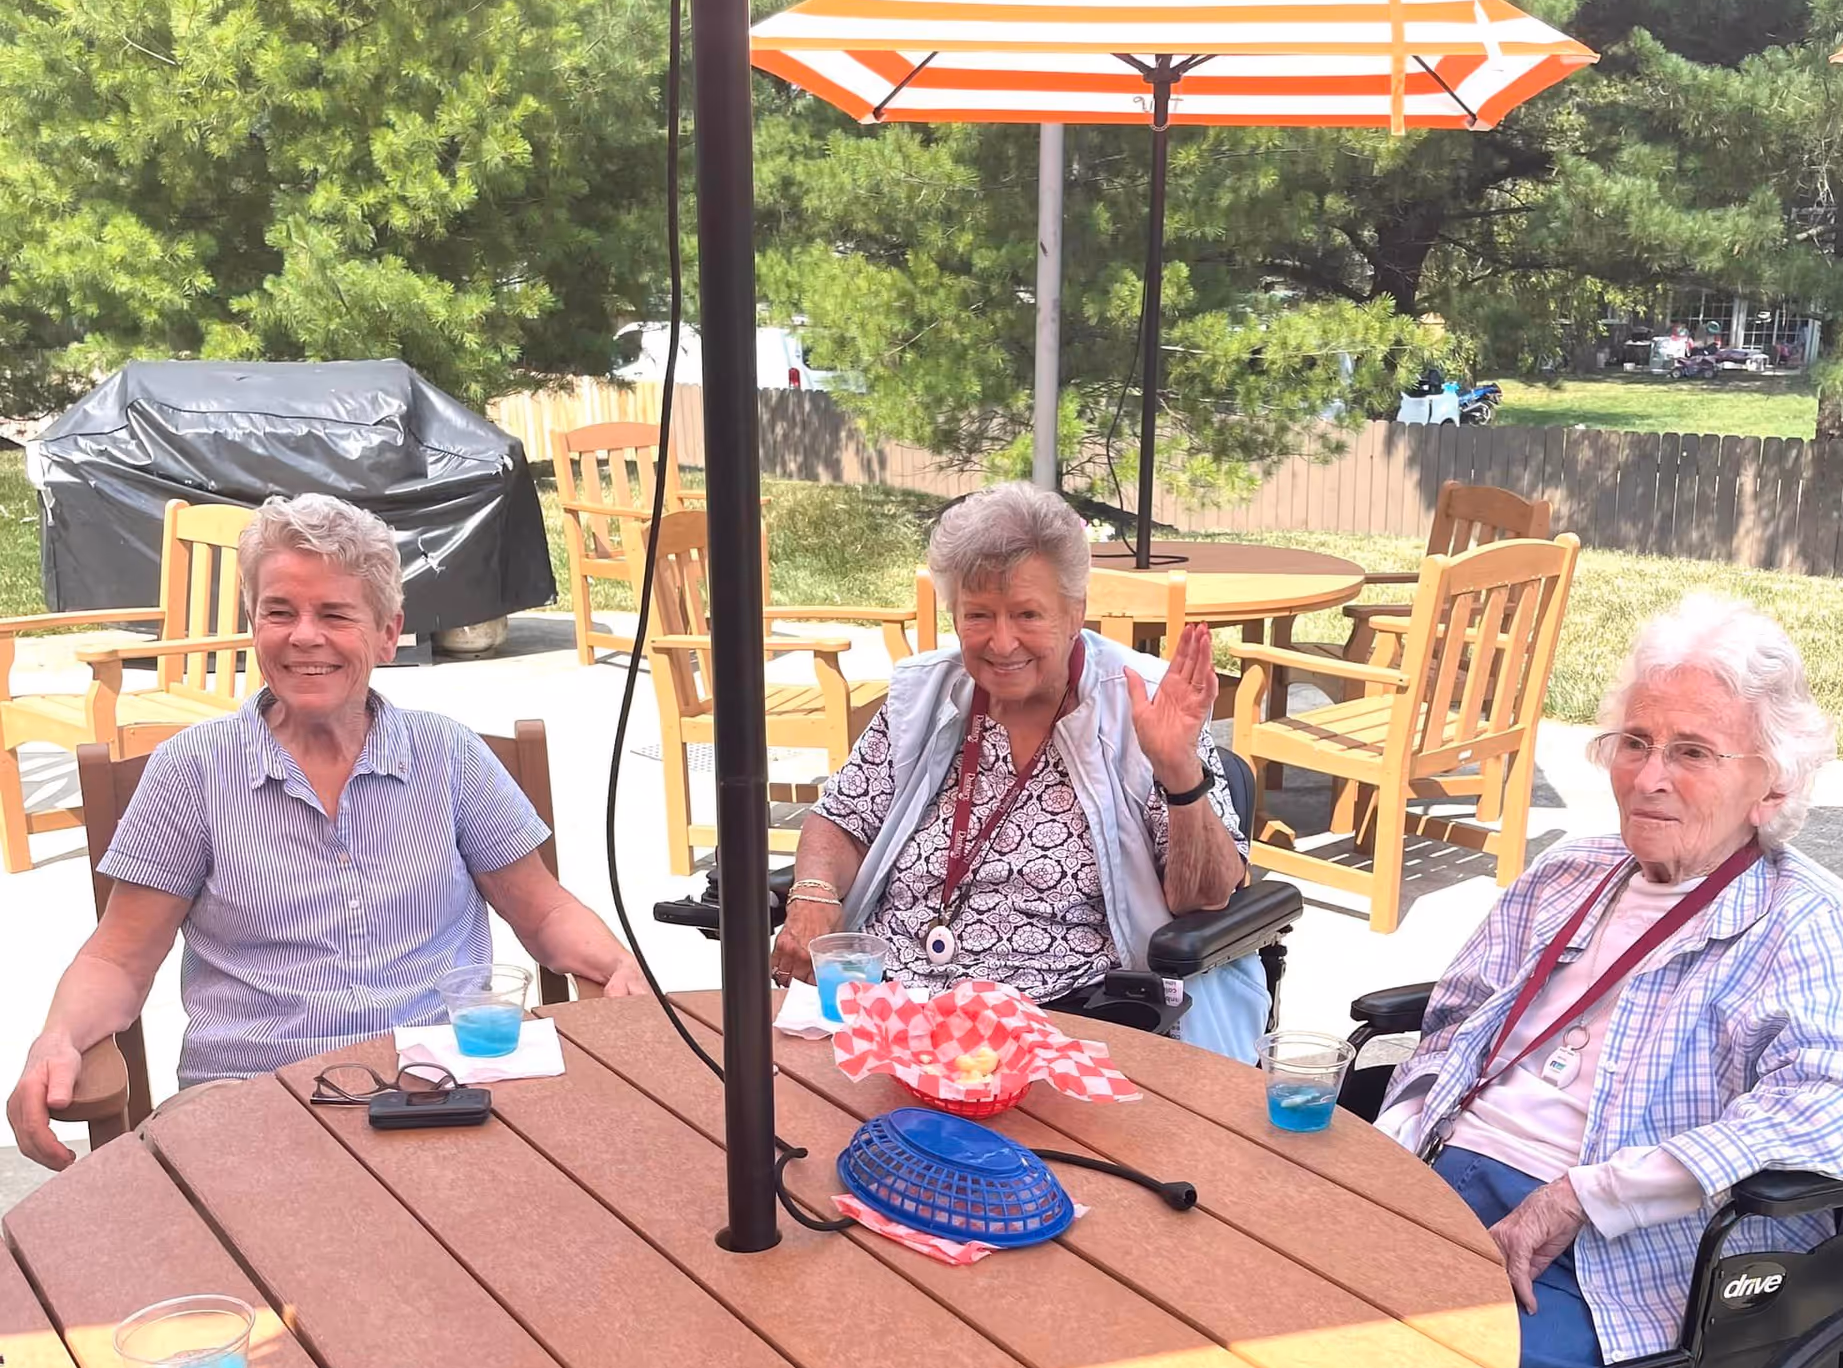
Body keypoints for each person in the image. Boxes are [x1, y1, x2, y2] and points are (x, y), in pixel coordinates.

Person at [1374, 594, 1843, 1368]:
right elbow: (1456, 1017)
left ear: (1773, 783)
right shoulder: (1571, 872)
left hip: (1613, 1254)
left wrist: (1589, 1194)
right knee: (1262, 1298)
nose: (1649, 776)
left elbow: (1833, 1105)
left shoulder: (1808, 924)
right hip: (1441, 1179)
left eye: (1692, 752)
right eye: (1636, 743)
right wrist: (1390, 1150)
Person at [8, 495, 644, 1170]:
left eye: (335, 614)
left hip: (441, 1091)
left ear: (386, 631)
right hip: (249, 1102)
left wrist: (617, 967)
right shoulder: (192, 772)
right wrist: (58, 1038)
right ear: (254, 623)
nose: (303, 636)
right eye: (279, 611)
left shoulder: (448, 755)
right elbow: (118, 959)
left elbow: (543, 911)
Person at [768, 483, 1263, 1060]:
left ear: (1075, 611)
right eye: (979, 615)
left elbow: (1202, 898)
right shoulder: (925, 694)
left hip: (1055, 1026)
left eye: (1028, 614)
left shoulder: (1141, 702)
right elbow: (843, 818)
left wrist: (1179, 772)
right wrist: (812, 894)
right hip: (888, 1010)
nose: (1002, 643)